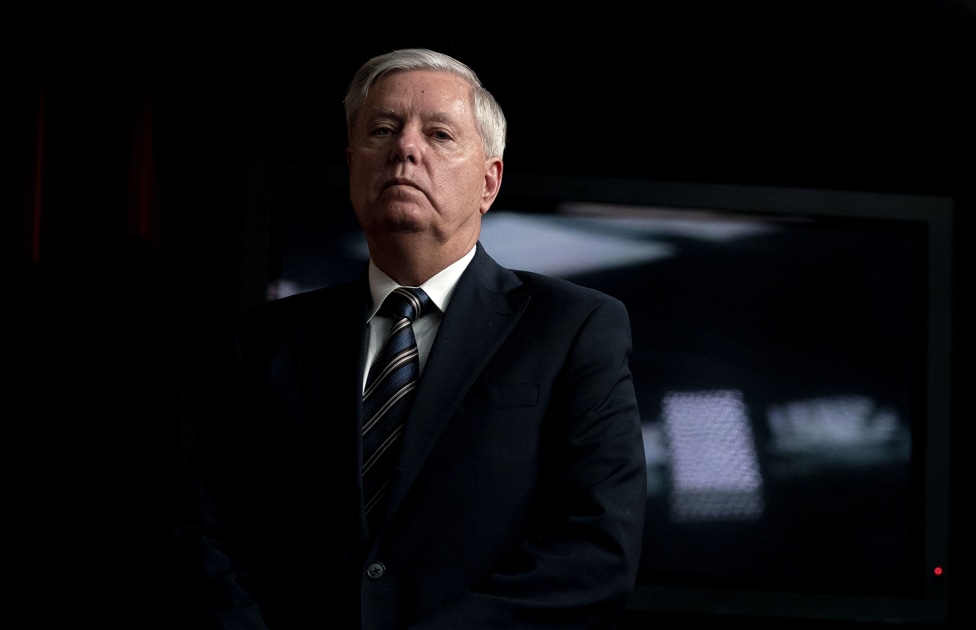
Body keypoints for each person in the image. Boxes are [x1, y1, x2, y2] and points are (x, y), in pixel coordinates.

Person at [173, 48, 647, 629]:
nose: (405, 149)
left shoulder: (575, 328)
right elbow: (205, 537)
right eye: (382, 130)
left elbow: (594, 554)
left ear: (489, 182)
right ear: (353, 169)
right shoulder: (264, 341)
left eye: (440, 134)